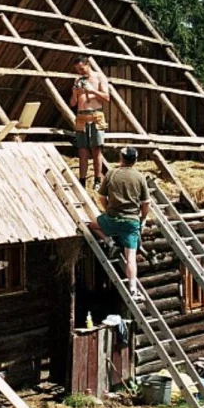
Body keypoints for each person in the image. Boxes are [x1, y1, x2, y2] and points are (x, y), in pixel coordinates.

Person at [88, 147, 149, 300]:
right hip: (131, 222)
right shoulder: (140, 177)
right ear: (135, 160)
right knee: (131, 258)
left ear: (121, 158)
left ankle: (109, 242)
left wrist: (108, 209)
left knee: (91, 225)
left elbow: (101, 197)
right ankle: (133, 289)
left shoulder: (111, 174)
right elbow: (146, 203)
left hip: (112, 219)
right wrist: (143, 219)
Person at [69, 55, 110, 188]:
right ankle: (82, 180)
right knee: (82, 150)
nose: (80, 71)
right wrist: (75, 93)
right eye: (77, 70)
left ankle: (97, 180)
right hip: (81, 116)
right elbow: (72, 103)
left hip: (95, 115)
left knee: (96, 149)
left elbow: (107, 97)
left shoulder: (99, 77)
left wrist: (92, 91)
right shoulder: (77, 80)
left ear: (88, 65)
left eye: (81, 68)